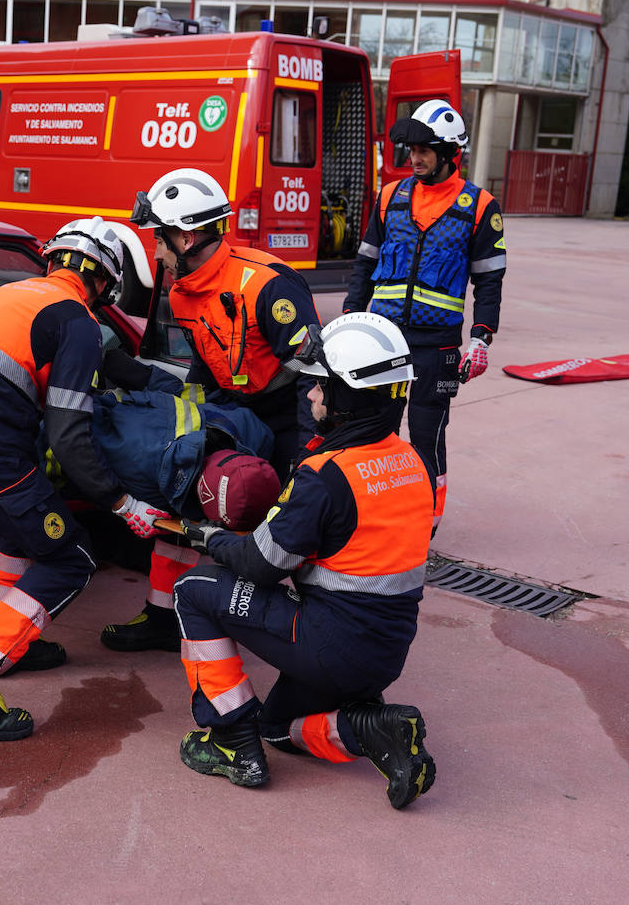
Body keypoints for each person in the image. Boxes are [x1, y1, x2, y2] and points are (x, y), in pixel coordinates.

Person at [0, 216, 168, 741]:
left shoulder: (12, 296)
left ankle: (10, 640)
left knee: (21, 526)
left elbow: (108, 366)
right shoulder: (74, 318)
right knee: (72, 556)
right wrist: (121, 503)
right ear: (106, 282)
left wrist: (171, 379)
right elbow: (70, 434)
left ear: (54, 259)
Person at [167, 311, 436, 809]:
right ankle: (370, 728)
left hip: (331, 645)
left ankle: (230, 741)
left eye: (320, 386)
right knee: (278, 728)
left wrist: (209, 538)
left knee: (193, 591)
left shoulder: (326, 475)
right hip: (384, 652)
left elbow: (263, 564)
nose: (311, 396)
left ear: (349, 396)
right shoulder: (412, 460)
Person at [100, 168, 322, 653]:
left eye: (159, 240)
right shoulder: (182, 291)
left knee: (290, 518)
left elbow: (312, 372)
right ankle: (162, 615)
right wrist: (194, 427)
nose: (155, 252)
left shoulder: (267, 285)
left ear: (186, 235)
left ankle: (308, 626)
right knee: (182, 492)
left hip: (288, 414)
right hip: (233, 409)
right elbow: (204, 364)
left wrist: (307, 454)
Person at [342, 99, 505, 534]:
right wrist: (348, 320)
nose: (413, 158)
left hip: (441, 348)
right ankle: (373, 511)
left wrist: (481, 338)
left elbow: (489, 282)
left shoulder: (480, 207)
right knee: (373, 428)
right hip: (383, 341)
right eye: (410, 149)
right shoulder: (389, 198)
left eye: (424, 150)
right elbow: (364, 266)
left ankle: (424, 521)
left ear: (451, 153)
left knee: (428, 433)